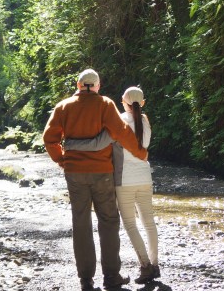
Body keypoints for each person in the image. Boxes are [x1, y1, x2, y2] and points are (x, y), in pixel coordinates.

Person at [43, 69, 149, 291]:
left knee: (80, 223)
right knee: (109, 221)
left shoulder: (63, 106)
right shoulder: (106, 104)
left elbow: (49, 138)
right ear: (98, 86)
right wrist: (140, 153)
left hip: (75, 173)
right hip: (102, 172)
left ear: (78, 84)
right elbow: (121, 132)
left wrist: (62, 160)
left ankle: (86, 280)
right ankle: (111, 276)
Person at [65, 86, 159, 284]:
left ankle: (145, 266)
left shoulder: (120, 122)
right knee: (149, 223)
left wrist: (71, 145)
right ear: (142, 103)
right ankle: (155, 264)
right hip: (145, 178)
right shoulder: (145, 121)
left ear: (123, 103)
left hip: (123, 180)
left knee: (130, 225)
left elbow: (99, 143)